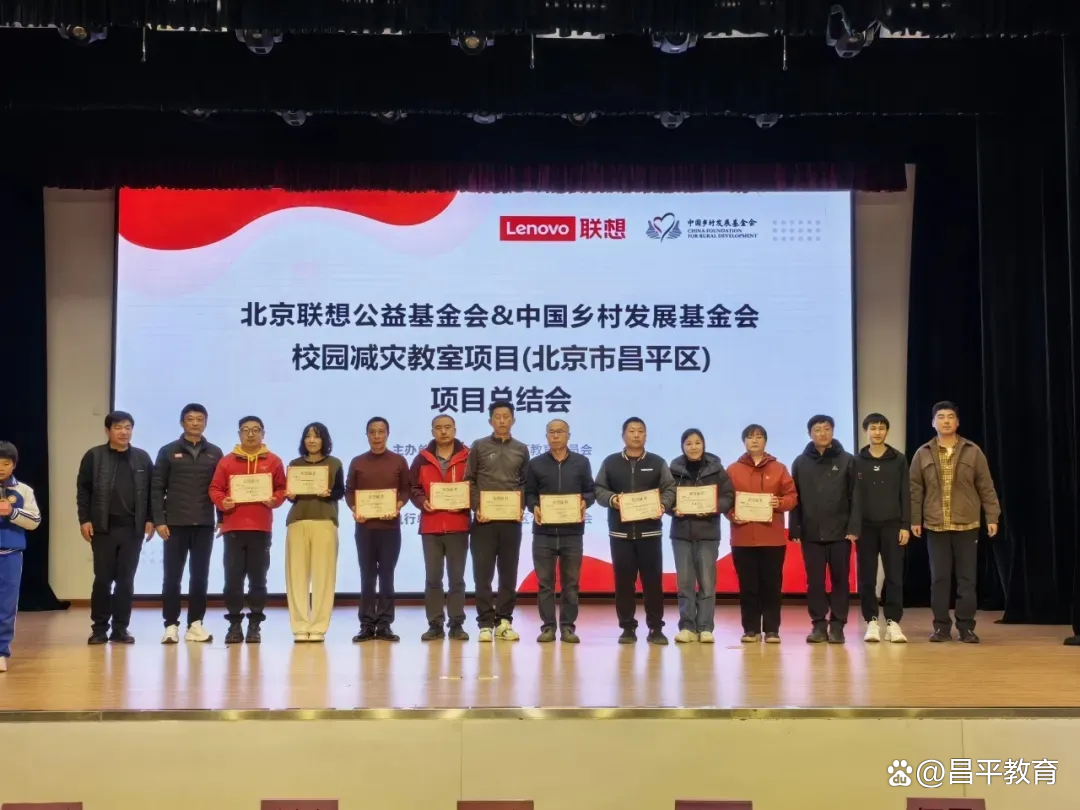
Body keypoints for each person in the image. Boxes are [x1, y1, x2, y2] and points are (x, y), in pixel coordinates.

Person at [910, 401, 1001, 644]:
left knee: (967, 580)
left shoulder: (973, 451)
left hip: (967, 524)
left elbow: (986, 486)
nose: (946, 421)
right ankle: (941, 627)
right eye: (941, 417)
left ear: (957, 422)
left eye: (951, 416)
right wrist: (915, 519)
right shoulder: (923, 453)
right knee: (939, 579)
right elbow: (915, 489)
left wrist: (992, 516)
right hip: (935, 525)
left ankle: (966, 627)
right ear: (933, 423)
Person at [595, 417, 676, 645]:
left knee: (652, 583)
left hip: (650, 533)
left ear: (646, 435)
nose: (636, 435)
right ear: (623, 435)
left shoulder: (657, 462)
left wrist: (663, 505)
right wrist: (613, 499)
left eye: (641, 431)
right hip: (620, 534)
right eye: (632, 431)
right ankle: (627, 628)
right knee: (623, 583)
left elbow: (669, 488)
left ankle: (656, 628)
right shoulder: (610, 462)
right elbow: (599, 489)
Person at [77, 411, 155, 645]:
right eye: (119, 427)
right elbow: (83, 491)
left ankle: (120, 628)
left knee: (126, 580)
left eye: (128, 427)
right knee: (102, 579)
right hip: (103, 528)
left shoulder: (142, 458)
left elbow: (152, 491)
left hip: (132, 528)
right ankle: (99, 629)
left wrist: (150, 518)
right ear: (107, 430)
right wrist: (84, 519)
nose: (124, 432)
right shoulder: (94, 456)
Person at [208, 415, 287, 644]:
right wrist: (222, 502)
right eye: (245, 430)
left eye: (255, 430)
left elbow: (282, 488)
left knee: (258, 579)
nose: (250, 434)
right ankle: (234, 624)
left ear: (263, 433)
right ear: (239, 434)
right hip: (233, 528)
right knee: (233, 579)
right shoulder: (227, 461)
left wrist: (275, 500)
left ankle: (255, 625)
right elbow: (215, 488)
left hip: (261, 529)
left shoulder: (273, 461)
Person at [152, 403, 223, 644]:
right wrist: (159, 520)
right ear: (182, 422)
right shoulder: (168, 451)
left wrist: (222, 518)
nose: (195, 423)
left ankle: (196, 624)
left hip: (204, 523)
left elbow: (220, 488)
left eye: (199, 419)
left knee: (200, 577)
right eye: (190, 419)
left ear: (206, 422)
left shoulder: (215, 452)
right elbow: (157, 488)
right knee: (172, 577)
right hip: (175, 524)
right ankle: (170, 625)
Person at [790, 414, 860, 644]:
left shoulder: (847, 460)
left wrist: (853, 527)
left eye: (827, 428)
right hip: (811, 532)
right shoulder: (800, 462)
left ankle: (838, 626)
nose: (822, 433)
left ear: (833, 431)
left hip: (841, 532)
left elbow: (856, 496)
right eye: (817, 429)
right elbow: (795, 498)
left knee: (840, 580)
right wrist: (795, 528)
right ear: (810, 434)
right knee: (815, 582)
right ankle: (819, 625)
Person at [524, 419, 596, 643]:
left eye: (560, 432)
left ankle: (567, 627)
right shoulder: (535, 464)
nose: (555, 435)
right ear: (546, 436)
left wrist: (585, 501)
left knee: (570, 584)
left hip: (572, 533)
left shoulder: (581, 462)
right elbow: (529, 493)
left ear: (568, 435)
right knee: (545, 584)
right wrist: (534, 506)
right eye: (551, 432)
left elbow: (590, 491)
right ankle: (547, 627)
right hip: (543, 534)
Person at [464, 400, 530, 642]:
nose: (502, 420)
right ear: (490, 421)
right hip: (484, 521)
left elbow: (524, 483)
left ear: (513, 420)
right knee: (483, 574)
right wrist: (477, 507)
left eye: (506, 416)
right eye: (497, 416)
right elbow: (470, 479)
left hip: (511, 522)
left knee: (508, 573)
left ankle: (504, 621)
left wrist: (520, 507)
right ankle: (484, 623)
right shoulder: (479, 446)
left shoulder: (521, 449)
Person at [725, 424, 797, 643]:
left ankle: (772, 630)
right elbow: (725, 500)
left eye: (758, 437)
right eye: (749, 437)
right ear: (744, 442)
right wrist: (732, 514)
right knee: (748, 586)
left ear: (765, 441)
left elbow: (792, 497)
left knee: (772, 586)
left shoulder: (779, 468)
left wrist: (779, 502)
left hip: (772, 538)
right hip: (743, 537)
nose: (754, 441)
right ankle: (750, 629)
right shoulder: (732, 469)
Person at [345, 416, 411, 642]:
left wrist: (398, 505)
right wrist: (355, 508)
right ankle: (366, 624)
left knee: (387, 575)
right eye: (372, 432)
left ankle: (384, 624)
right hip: (365, 528)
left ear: (388, 434)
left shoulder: (399, 461)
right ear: (367, 435)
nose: (377, 436)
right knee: (367, 576)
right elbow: (349, 491)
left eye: (381, 431)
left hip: (390, 527)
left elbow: (405, 489)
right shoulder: (357, 462)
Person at [669, 428, 734, 644]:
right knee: (685, 583)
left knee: (707, 582)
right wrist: (672, 509)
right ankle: (687, 626)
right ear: (682, 446)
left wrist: (714, 507)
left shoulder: (716, 469)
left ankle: (705, 627)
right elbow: (665, 496)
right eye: (688, 443)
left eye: (697, 443)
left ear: (704, 444)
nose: (693, 447)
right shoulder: (673, 470)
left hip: (708, 533)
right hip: (681, 534)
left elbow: (729, 496)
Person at [409, 414, 471, 642]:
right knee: (433, 579)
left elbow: (475, 486)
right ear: (432, 431)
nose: (443, 431)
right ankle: (435, 624)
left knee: (457, 579)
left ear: (454, 429)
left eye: (447, 427)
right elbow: (413, 487)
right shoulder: (421, 459)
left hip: (458, 525)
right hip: (431, 526)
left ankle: (456, 624)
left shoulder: (469, 456)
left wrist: (467, 502)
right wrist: (421, 501)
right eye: (438, 428)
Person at [284, 422, 345, 642]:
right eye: (308, 436)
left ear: (324, 440)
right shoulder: (294, 464)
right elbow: (290, 495)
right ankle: (300, 626)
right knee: (296, 576)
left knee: (324, 576)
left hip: (325, 521)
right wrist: (290, 495)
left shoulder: (335, 463)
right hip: (297, 521)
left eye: (317, 436)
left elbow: (340, 491)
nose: (312, 440)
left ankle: (318, 626)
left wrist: (329, 493)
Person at [855, 413, 910, 643]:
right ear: (865, 431)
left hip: (892, 525)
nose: (877, 432)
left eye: (881, 428)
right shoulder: (856, 461)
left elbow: (905, 493)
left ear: (887, 431)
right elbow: (852, 497)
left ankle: (893, 622)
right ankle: (871, 621)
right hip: (865, 528)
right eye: (873, 428)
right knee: (866, 576)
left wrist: (905, 525)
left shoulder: (898, 459)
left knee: (894, 575)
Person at [0, 441, 42, 672]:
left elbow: (34, 521)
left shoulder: (24, 490)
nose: (1, 468)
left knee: (6, 606)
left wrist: (12, 512)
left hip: (10, 555)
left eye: (6, 463)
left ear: (14, 465)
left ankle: (1, 652)